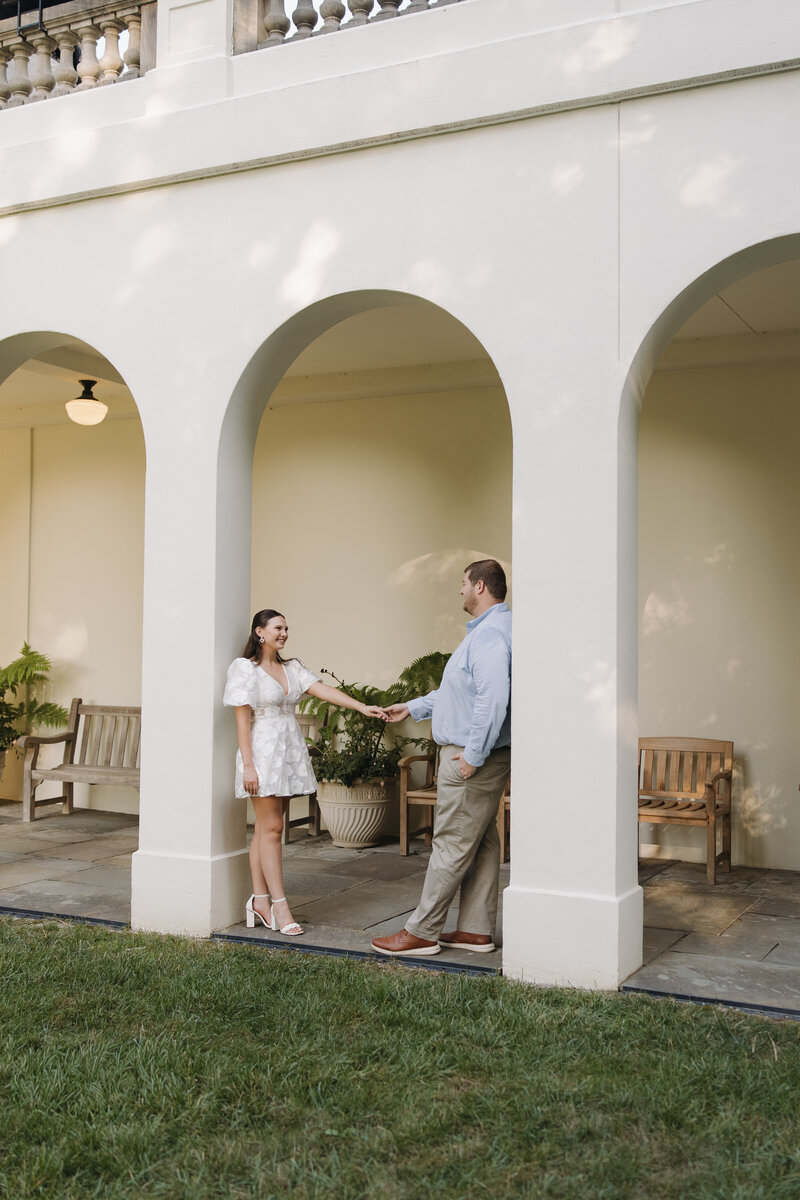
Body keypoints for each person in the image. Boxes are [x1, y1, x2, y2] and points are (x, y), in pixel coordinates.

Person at [371, 560, 511, 957]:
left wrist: (473, 755)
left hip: (471, 758)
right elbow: (462, 694)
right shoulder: (491, 632)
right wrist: (412, 707)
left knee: (450, 842)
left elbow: (493, 699)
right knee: (482, 842)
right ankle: (474, 930)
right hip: (478, 755)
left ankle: (422, 932)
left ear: (480, 586)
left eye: (463, 584)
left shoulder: (490, 637)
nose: (460, 591)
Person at [224, 608, 387, 937]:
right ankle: (280, 906)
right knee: (272, 829)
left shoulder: (291, 668)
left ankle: (259, 900)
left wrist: (360, 706)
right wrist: (249, 765)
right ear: (259, 632)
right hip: (263, 754)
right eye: (277, 628)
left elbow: (323, 690)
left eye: (286, 628)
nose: (283, 633)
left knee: (266, 830)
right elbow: (242, 720)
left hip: (288, 754)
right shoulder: (245, 669)